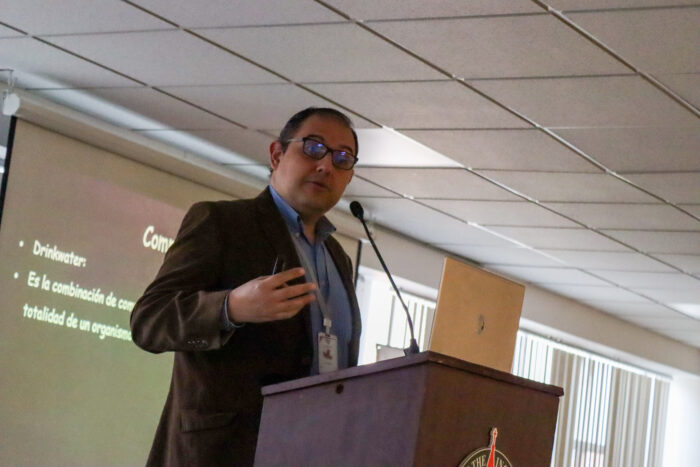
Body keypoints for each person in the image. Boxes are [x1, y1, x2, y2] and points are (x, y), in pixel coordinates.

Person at [130, 107, 362, 467]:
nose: (326, 166)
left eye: (342, 158)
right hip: (226, 454)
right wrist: (231, 308)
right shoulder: (223, 223)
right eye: (314, 148)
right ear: (277, 155)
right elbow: (149, 321)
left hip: (312, 452)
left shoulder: (338, 258)